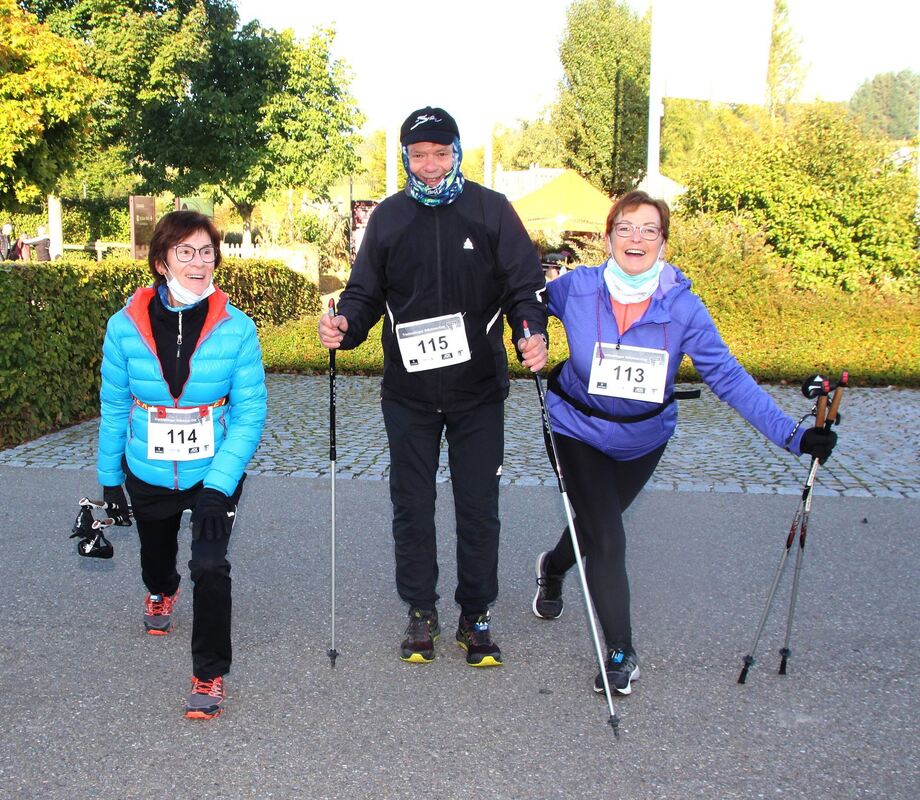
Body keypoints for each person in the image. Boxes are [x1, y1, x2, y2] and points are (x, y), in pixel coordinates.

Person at [531, 190, 837, 696]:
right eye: (626, 228)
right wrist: (532, 330)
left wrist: (794, 435)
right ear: (607, 238)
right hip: (576, 429)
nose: (637, 238)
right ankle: (622, 653)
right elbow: (526, 304)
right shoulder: (576, 289)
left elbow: (730, 379)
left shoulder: (683, 309)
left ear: (664, 245)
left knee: (593, 526)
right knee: (607, 535)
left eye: (650, 230)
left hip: (642, 440)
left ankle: (553, 566)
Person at [319, 106, 548, 667]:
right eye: (418, 155)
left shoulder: (491, 210)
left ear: (456, 152)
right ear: (404, 157)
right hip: (409, 393)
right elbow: (364, 294)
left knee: (477, 506)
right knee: (412, 505)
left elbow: (524, 285)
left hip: (477, 392)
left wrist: (532, 331)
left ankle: (476, 615)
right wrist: (344, 326)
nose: (429, 165)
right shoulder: (390, 218)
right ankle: (421, 611)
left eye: (439, 153)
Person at [96, 210, 267, 719]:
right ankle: (160, 590)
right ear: (161, 261)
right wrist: (110, 478)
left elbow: (250, 411)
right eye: (186, 252)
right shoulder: (123, 327)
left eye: (207, 252)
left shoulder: (237, 328)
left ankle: (209, 674)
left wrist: (219, 484)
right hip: (146, 467)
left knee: (210, 566)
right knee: (156, 557)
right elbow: (114, 404)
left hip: (212, 469)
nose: (199, 262)